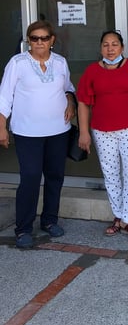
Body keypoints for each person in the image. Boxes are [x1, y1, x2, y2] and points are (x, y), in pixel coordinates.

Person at [0, 20, 76, 248]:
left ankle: (49, 221)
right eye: (34, 38)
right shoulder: (18, 63)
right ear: (28, 41)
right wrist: (1, 126)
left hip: (58, 131)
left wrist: (71, 100)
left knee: (55, 177)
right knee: (31, 178)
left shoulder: (60, 62)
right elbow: (5, 97)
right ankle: (23, 228)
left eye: (44, 38)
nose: (39, 42)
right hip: (27, 132)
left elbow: (68, 87)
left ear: (52, 40)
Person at [77, 30, 128, 239]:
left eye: (114, 44)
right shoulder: (92, 71)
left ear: (122, 47)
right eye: (105, 45)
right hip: (102, 131)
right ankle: (118, 217)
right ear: (100, 48)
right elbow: (83, 102)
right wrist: (83, 132)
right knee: (111, 175)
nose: (110, 49)